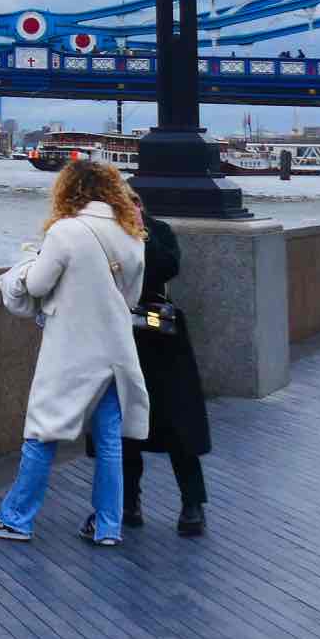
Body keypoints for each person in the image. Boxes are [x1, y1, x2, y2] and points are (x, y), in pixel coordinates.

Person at [0, 157, 149, 548]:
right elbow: (130, 298)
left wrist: (25, 263)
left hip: (72, 348)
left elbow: (37, 286)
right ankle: (108, 526)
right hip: (116, 349)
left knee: (43, 431)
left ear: (70, 191)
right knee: (109, 440)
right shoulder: (131, 234)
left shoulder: (66, 232)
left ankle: (16, 519)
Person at [123, 209, 211, 537]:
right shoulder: (102, 234)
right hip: (122, 337)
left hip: (158, 329)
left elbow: (167, 267)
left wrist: (141, 231)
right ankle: (128, 502)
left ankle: (192, 505)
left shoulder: (157, 231)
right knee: (125, 428)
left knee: (179, 425)